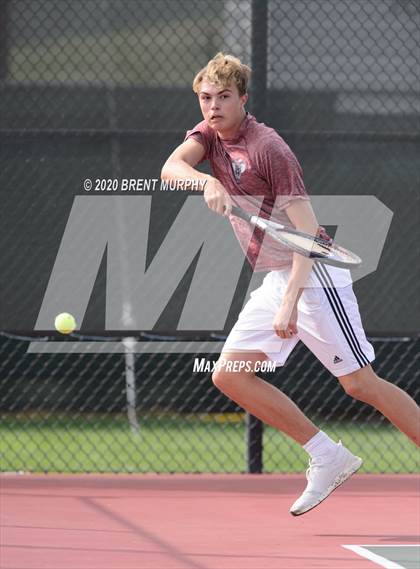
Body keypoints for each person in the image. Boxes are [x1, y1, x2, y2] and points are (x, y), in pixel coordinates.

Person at [161, 53, 419, 515]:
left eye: (224, 97)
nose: (213, 106)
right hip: (276, 276)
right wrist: (204, 183)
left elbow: (307, 237)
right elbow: (171, 168)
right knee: (229, 374)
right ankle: (327, 454)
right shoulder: (208, 136)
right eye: (206, 98)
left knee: (361, 384)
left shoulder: (270, 149)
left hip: (313, 274)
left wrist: (291, 303)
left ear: (243, 99)